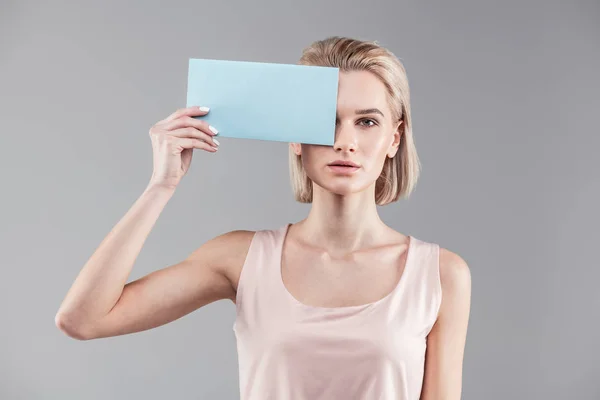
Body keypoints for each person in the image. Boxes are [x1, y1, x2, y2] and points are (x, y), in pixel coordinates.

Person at [55, 36, 471, 400]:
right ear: (293, 133)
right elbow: (82, 319)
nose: (346, 142)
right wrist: (161, 184)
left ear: (394, 137)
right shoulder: (241, 257)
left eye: (367, 122)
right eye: (327, 121)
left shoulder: (440, 274)